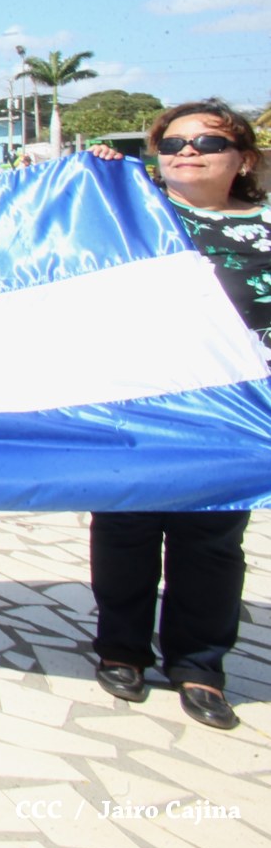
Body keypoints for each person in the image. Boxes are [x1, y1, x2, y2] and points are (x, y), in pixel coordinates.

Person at [86, 99, 266, 731]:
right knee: (126, 526)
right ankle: (122, 649)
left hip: (237, 409)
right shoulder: (131, 212)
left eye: (208, 143)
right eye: (171, 144)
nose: (187, 151)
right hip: (141, 395)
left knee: (212, 540)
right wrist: (99, 169)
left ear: (244, 160)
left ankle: (199, 665)